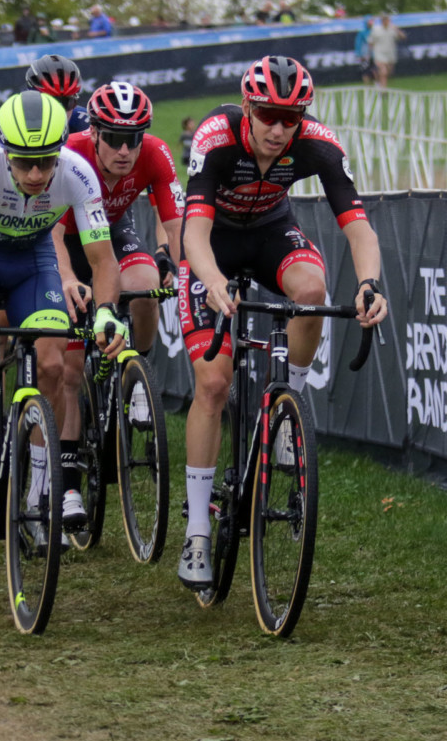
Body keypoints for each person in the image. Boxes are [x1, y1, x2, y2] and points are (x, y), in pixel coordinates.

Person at [175, 55, 388, 589]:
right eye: (268, 114)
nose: (277, 128)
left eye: (289, 118)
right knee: (214, 383)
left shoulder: (317, 142)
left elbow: (358, 229)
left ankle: (288, 413)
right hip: (213, 244)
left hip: (271, 231)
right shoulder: (216, 138)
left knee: (313, 289)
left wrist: (368, 284)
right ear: (248, 106)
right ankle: (198, 530)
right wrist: (213, 280)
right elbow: (194, 235)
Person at [0, 91, 126, 529]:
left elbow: (103, 259)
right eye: (23, 162)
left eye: (45, 161)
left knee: (52, 364)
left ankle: (38, 489)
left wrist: (108, 309)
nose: (36, 173)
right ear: (4, 152)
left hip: (32, 264)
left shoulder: (76, 172)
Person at [55, 83, 184, 487]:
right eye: (113, 139)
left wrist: (181, 269)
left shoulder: (156, 153)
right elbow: (52, 235)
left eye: (133, 139)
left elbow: (177, 225)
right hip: (64, 238)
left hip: (110, 231)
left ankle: (135, 372)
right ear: (93, 132)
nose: (125, 150)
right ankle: (70, 484)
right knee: (71, 369)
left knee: (146, 288)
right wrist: (68, 278)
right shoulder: (69, 155)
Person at [368, 14, 405, 88]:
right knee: (383, 71)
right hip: (379, 54)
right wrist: (371, 52)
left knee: (389, 72)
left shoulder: (393, 29)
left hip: (390, 54)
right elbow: (371, 42)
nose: (385, 22)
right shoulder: (376, 29)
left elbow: (403, 37)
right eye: (384, 20)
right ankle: (383, 91)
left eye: (387, 20)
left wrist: (397, 30)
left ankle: (378, 81)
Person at [354, 17, 375, 85]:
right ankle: (367, 86)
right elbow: (358, 44)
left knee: (375, 70)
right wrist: (359, 54)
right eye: (369, 22)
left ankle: (376, 85)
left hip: (375, 55)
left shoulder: (375, 31)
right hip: (365, 55)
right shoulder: (362, 32)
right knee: (365, 71)